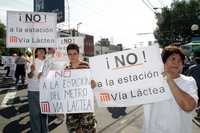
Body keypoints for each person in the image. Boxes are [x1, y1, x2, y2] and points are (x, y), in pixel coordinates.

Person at [142, 46, 198, 133]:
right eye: (173, 59)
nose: (177, 63)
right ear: (162, 62)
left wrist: (170, 80)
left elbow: (188, 106)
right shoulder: (149, 82)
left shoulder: (189, 81)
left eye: (180, 61)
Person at [65, 43, 97, 133]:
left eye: (74, 53)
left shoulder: (86, 66)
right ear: (67, 55)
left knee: (89, 128)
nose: (72, 56)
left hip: (85, 105)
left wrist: (94, 83)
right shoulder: (65, 69)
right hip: (71, 106)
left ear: (78, 54)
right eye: (70, 54)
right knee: (74, 129)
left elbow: (94, 81)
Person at [27, 48, 48, 133]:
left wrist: (43, 75)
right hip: (33, 91)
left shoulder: (48, 62)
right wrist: (32, 71)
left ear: (44, 52)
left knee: (44, 114)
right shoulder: (32, 62)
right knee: (34, 114)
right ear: (35, 53)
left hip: (45, 91)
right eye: (39, 50)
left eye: (42, 50)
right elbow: (29, 76)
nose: (40, 52)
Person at [186, 52, 200, 123]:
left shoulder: (191, 67)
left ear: (195, 61)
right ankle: (198, 111)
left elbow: (188, 76)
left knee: (195, 98)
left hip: (195, 85)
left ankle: (197, 110)